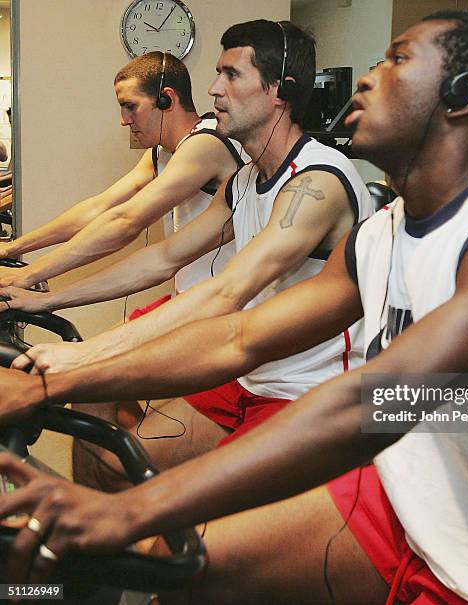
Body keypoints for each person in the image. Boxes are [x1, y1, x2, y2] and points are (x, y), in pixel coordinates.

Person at [0, 10, 468, 604]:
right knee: (172, 569)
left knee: (157, 544)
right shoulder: (383, 231)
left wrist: (130, 509)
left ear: (464, 96)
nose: (367, 75)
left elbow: (375, 400)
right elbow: (240, 338)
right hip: (412, 489)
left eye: (397, 61)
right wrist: (55, 382)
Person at [1, 20, 373, 488]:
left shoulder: (315, 184)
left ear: (280, 89)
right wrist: (41, 299)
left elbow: (225, 293)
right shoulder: (244, 182)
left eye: (232, 75)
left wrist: (83, 356)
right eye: (217, 73)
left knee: (190, 529)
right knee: (113, 453)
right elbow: (163, 258)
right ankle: (98, 549)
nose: (215, 89)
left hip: (306, 397)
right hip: (247, 377)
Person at [0, 52, 245, 291]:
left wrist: (28, 274)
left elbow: (126, 220)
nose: (124, 120)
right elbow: (98, 208)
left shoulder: (206, 143)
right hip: (189, 299)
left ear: (166, 99)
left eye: (130, 106)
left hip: (227, 306)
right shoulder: (162, 153)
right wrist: (12, 248)